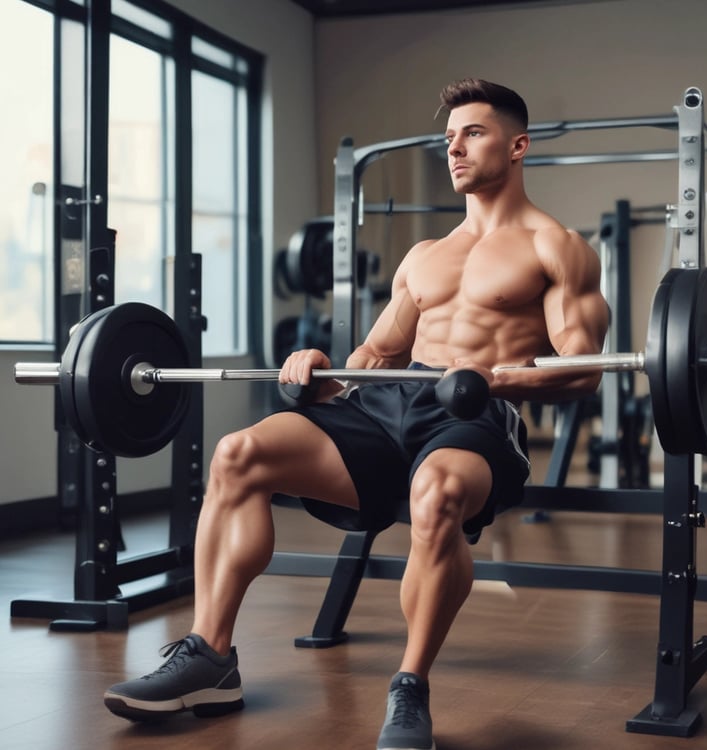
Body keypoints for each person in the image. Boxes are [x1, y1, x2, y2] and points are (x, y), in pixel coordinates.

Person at [103, 78, 609, 750]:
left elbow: (584, 365)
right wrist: (322, 372)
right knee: (238, 455)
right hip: (384, 407)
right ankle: (210, 656)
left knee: (439, 495)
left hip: (473, 413)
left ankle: (409, 688)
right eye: (450, 137)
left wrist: (497, 378)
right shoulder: (424, 256)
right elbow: (377, 351)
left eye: (473, 133)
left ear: (518, 146)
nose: (454, 148)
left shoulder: (557, 247)